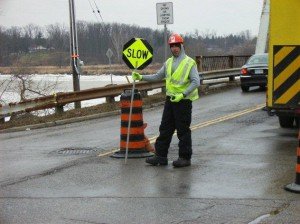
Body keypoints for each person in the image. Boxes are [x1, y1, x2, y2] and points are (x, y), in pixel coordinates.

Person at [132, 33, 200, 167]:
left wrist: (183, 94)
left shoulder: (189, 62)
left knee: (183, 130)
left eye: (176, 46)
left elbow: (196, 82)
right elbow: (158, 76)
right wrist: (141, 77)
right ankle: (160, 156)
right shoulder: (168, 62)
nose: (174, 48)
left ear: (181, 46)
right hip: (170, 100)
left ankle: (185, 158)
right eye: (172, 46)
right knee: (165, 129)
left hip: (183, 101)